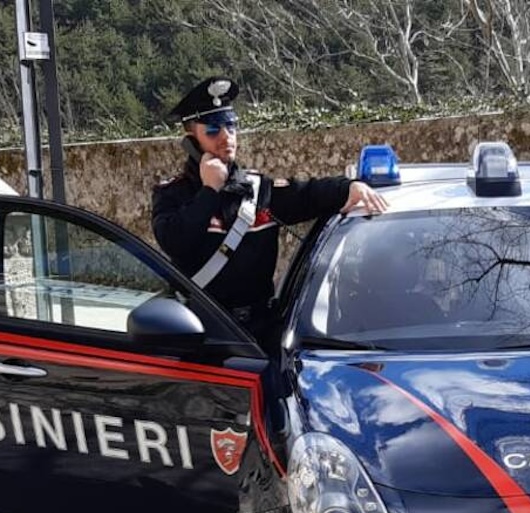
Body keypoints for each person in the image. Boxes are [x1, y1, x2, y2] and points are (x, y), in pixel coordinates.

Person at [152, 76, 387, 341]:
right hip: (202, 332)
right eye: (213, 130)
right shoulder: (173, 194)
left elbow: (308, 195)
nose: (226, 137)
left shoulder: (258, 188)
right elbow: (175, 242)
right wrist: (209, 191)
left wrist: (350, 187)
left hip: (259, 332)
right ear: (191, 139)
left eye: (231, 126)